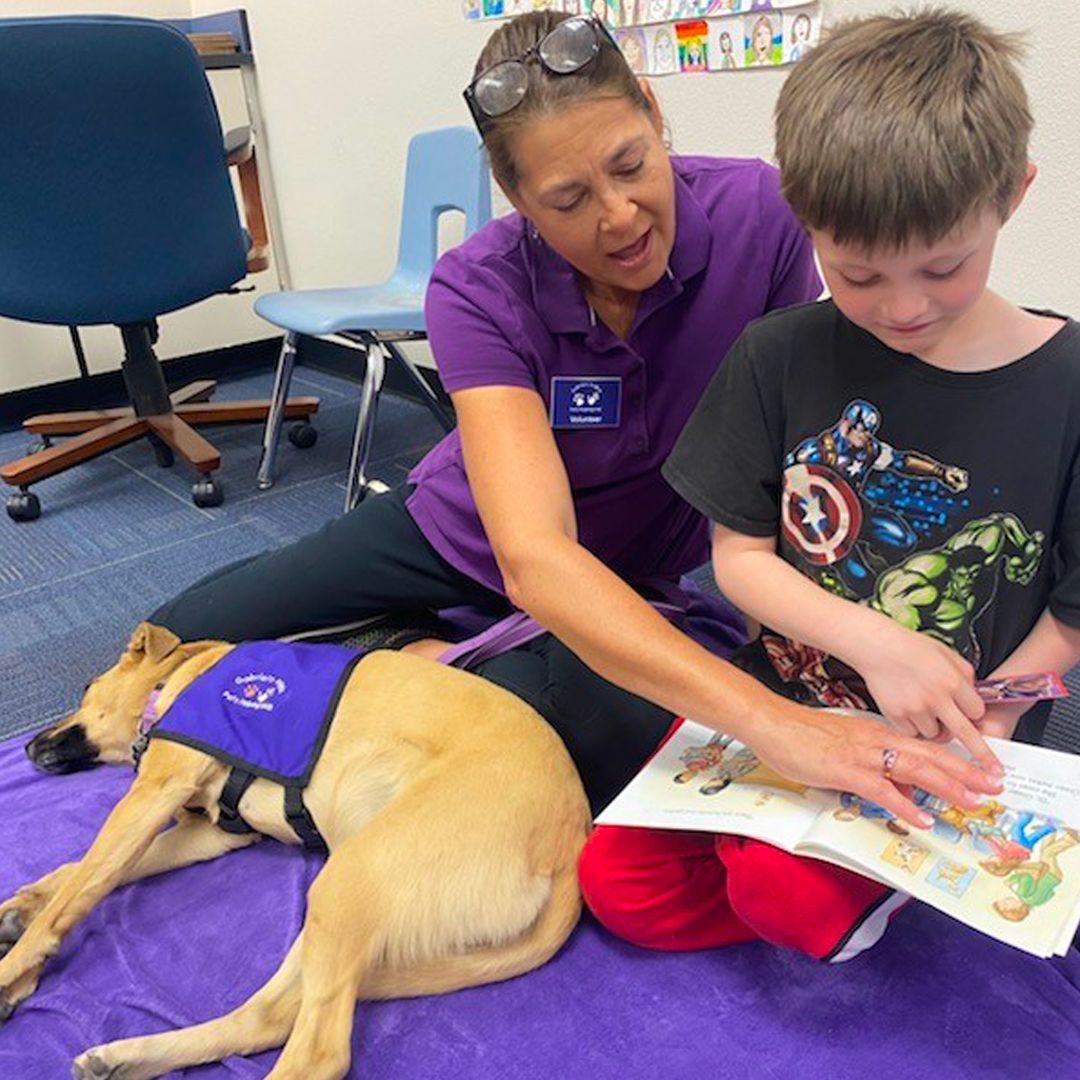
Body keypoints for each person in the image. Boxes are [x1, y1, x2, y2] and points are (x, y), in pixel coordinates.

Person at [149, 11, 997, 830]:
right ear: (515, 198)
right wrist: (777, 725)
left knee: (552, 754)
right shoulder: (476, 288)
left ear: (657, 119)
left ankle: (422, 656)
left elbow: (779, 461)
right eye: (568, 199)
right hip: (465, 539)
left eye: (632, 165)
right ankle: (412, 636)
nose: (620, 217)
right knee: (169, 650)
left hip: (632, 576)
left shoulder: (764, 219)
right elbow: (536, 557)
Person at [581, 8, 1068, 962]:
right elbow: (740, 561)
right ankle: (811, 867)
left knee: (782, 896)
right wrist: (873, 645)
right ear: (805, 223)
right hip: (789, 702)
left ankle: (825, 880)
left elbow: (1075, 613)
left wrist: (991, 713)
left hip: (962, 730)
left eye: (943, 267)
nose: (903, 308)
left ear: (1014, 195)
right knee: (616, 885)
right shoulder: (780, 354)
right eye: (856, 274)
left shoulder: (1067, 383)